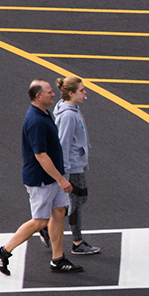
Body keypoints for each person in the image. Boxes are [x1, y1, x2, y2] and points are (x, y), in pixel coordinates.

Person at [0, 79, 83, 275]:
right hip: (42, 180)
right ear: (38, 97)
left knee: (59, 212)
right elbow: (40, 155)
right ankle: (3, 251)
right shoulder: (35, 122)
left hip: (52, 177)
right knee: (40, 221)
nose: (53, 94)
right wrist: (61, 179)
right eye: (49, 92)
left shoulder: (44, 113)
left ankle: (58, 259)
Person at [53, 76, 101, 255]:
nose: (85, 92)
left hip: (77, 163)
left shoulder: (73, 109)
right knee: (77, 202)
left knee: (78, 200)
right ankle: (77, 241)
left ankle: (46, 224)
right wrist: (64, 173)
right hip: (72, 167)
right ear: (71, 93)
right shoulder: (68, 116)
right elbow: (63, 144)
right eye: (82, 90)